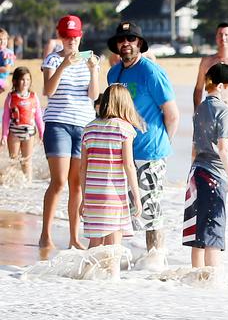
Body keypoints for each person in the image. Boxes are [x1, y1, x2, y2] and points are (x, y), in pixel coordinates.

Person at [107, 21, 179, 256]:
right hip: (122, 151)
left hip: (150, 153)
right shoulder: (113, 73)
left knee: (150, 212)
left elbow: (172, 115)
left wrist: (161, 144)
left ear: (139, 43)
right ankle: (119, 260)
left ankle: (155, 262)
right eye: (121, 40)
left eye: (131, 39)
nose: (126, 43)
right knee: (120, 209)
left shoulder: (151, 72)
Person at [39, 15, 100, 250]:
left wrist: (94, 70)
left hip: (83, 126)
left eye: (74, 36)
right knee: (59, 181)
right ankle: (46, 234)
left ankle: (74, 238)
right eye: (66, 36)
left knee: (77, 184)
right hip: (58, 124)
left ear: (80, 36)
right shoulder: (52, 59)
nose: (71, 40)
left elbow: (94, 95)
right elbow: (48, 90)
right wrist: (64, 64)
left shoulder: (90, 60)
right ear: (60, 36)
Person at [183, 63, 228, 268]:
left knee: (197, 236)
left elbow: (194, 147)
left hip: (196, 173)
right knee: (213, 235)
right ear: (222, 86)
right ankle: (211, 288)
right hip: (214, 176)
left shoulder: (200, 109)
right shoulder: (224, 111)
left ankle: (196, 284)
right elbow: (224, 150)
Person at [80, 84, 143, 249]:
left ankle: (89, 274)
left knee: (94, 245)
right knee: (112, 247)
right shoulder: (124, 129)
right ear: (124, 104)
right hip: (113, 196)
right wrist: (136, 196)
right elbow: (129, 165)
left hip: (92, 196)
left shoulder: (89, 128)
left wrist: (84, 199)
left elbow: (83, 168)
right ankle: (111, 275)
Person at [1, 67, 44, 182]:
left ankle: (27, 184)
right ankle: (13, 184)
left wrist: (42, 133)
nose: (25, 82)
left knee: (27, 161)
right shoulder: (11, 97)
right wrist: (4, 136)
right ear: (15, 81)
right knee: (13, 159)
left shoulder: (33, 96)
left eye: (28, 79)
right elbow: (5, 117)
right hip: (14, 132)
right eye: (22, 79)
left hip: (29, 133)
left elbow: (38, 116)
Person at [0, 28, 16, 94]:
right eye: (0, 39)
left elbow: (7, 69)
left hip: (2, 80)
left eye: (4, 39)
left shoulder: (7, 53)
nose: (2, 41)